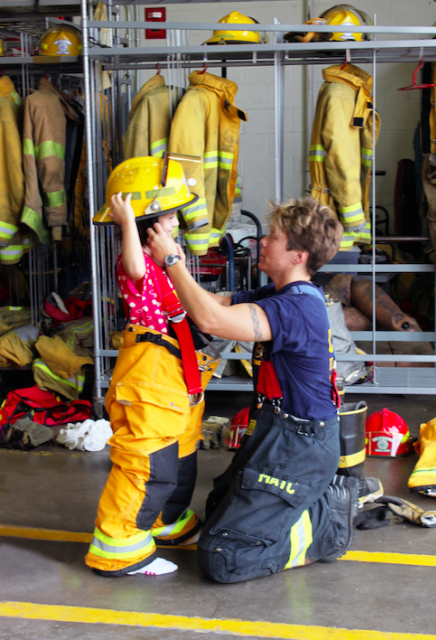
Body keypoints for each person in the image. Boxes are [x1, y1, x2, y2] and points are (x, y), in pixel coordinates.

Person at [147, 196, 361, 583]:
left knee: (223, 558)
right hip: (277, 434)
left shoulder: (297, 308)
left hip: (301, 447)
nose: (263, 242)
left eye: (273, 237)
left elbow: (211, 320)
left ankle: (322, 525)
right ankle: (300, 505)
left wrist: (172, 262)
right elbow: (214, 303)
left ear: (298, 254)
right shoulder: (281, 295)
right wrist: (164, 254)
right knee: (215, 511)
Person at [85, 156, 219, 577]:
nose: (178, 221)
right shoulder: (135, 264)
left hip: (177, 374)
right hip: (150, 375)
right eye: (172, 214)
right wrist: (127, 222)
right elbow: (136, 266)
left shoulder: (167, 260)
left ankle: (165, 520)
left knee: (180, 455)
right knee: (149, 461)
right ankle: (119, 545)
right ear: (148, 222)